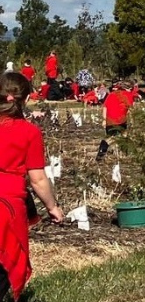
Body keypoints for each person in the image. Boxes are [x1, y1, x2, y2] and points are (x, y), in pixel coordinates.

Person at [0, 71, 65, 300]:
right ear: (26, 99)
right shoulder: (29, 132)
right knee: (6, 264)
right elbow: (37, 179)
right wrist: (52, 207)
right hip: (7, 206)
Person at [96, 81, 134, 161]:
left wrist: (104, 120)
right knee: (123, 136)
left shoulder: (111, 94)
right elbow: (130, 109)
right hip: (121, 120)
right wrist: (131, 120)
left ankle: (101, 155)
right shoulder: (128, 95)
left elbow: (105, 107)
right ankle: (124, 154)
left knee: (110, 138)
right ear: (128, 88)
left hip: (109, 120)